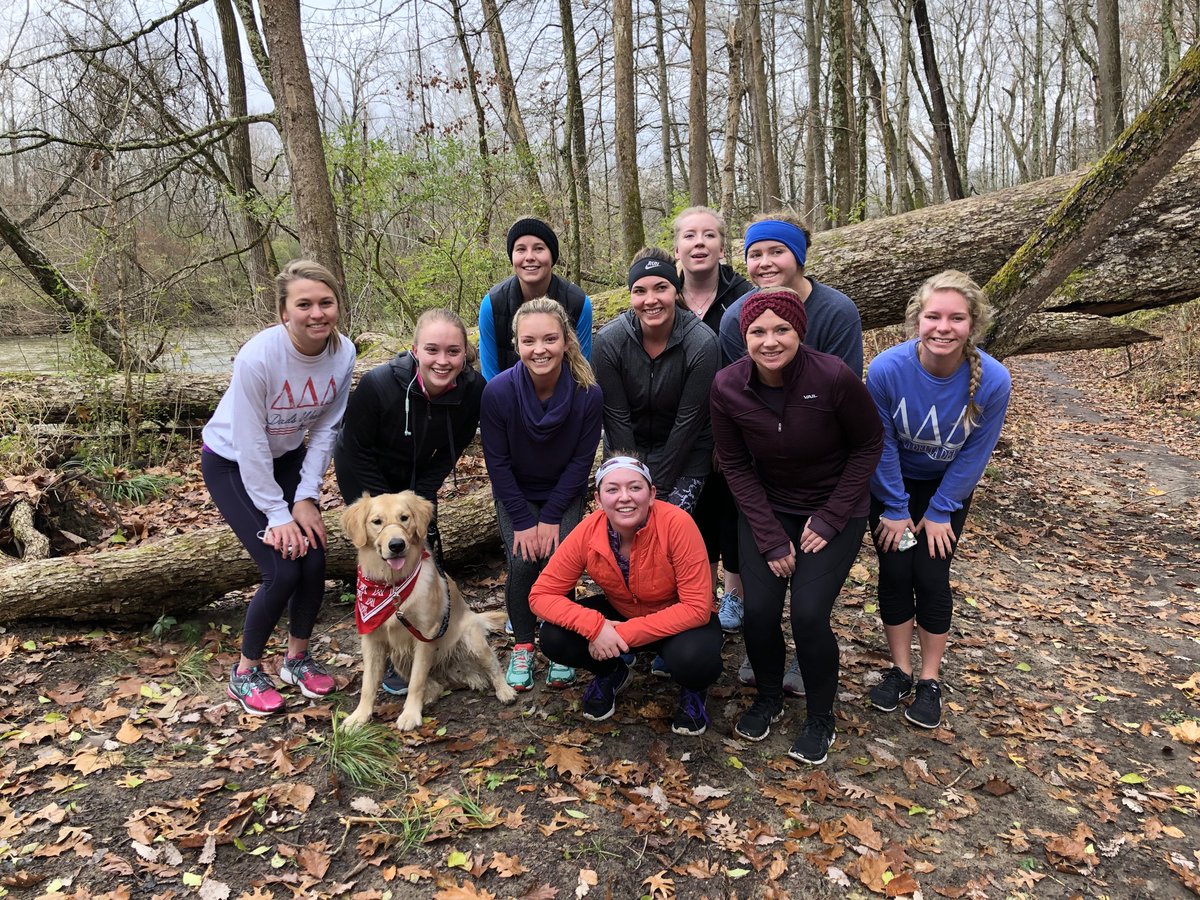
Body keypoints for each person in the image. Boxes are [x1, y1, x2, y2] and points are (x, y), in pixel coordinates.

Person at [711, 288, 882, 764]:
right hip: (766, 507)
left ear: (799, 332)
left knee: (808, 615)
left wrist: (829, 518)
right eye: (758, 331)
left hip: (835, 509)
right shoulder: (727, 385)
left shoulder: (833, 377)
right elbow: (735, 464)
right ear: (743, 336)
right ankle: (767, 696)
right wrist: (767, 533)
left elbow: (869, 445)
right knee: (760, 613)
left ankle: (820, 719)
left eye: (781, 329)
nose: (770, 341)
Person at [718, 211, 865, 696]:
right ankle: (766, 660)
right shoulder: (734, 317)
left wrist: (831, 508)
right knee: (763, 599)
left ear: (799, 256)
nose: (765, 262)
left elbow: (849, 413)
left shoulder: (835, 312)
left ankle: (807, 653)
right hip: (763, 476)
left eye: (777, 251)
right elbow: (735, 394)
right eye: (755, 254)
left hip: (825, 468)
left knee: (809, 602)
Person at [201, 260, 356, 716]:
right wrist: (277, 514)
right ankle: (245, 672)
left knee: (315, 558)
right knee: (283, 568)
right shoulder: (259, 356)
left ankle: (296, 660)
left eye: (325, 303)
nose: (316, 314)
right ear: (283, 311)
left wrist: (306, 497)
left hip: (287, 460)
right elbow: (249, 443)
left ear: (337, 306)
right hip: (231, 463)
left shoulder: (343, 352)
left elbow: (327, 428)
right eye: (303, 304)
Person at [866, 270, 1011, 729]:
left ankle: (929, 680)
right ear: (917, 321)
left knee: (930, 576)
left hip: (945, 492)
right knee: (894, 571)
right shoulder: (887, 369)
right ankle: (900, 671)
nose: (943, 328)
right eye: (933, 316)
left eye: (956, 318)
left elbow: (975, 454)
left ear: (973, 324)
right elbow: (881, 444)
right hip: (893, 486)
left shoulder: (993, 380)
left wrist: (940, 510)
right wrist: (895, 508)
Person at [333, 307, 484, 697]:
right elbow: (354, 449)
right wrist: (386, 513)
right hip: (366, 475)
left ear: (465, 353)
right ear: (415, 349)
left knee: (417, 560)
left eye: (453, 351)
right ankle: (385, 646)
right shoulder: (379, 385)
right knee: (380, 558)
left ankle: (417, 637)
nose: (442, 360)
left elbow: (448, 456)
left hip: (417, 482)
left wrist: (420, 500)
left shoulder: (473, 392)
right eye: (432, 349)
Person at [529, 454, 722, 734]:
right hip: (620, 611)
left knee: (696, 659)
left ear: (652, 494)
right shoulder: (588, 531)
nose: (625, 497)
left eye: (635, 487)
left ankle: (693, 691)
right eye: (612, 489)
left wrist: (618, 635)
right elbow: (541, 595)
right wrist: (594, 627)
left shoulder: (677, 524)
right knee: (553, 635)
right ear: (598, 499)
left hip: (677, 620)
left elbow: (696, 607)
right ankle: (611, 673)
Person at [480, 297, 603, 692]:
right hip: (515, 494)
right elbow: (497, 465)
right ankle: (523, 644)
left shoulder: (587, 393)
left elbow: (581, 464)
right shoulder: (498, 392)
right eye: (529, 341)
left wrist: (550, 517)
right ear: (516, 344)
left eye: (550, 339)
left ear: (567, 340)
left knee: (560, 559)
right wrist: (523, 520)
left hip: (561, 494)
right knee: (522, 562)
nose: (540, 349)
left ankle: (558, 642)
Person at [672, 207, 754, 633]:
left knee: (732, 513)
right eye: (689, 236)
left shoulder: (742, 298)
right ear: (677, 248)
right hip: (681, 431)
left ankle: (734, 596)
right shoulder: (665, 297)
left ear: (723, 247)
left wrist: (730, 438)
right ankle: (697, 599)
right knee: (693, 519)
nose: (699, 243)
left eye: (708, 235)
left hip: (733, 432)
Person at [592, 247, 718, 514]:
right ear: (631, 296)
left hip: (686, 456)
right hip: (624, 452)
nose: (651, 300)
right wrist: (635, 482)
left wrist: (655, 489)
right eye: (640, 291)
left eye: (661, 288)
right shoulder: (609, 341)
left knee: (665, 524)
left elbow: (688, 424)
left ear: (675, 290)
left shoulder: (702, 343)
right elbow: (616, 419)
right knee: (623, 524)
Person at [478, 217, 593, 381]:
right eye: (520, 249)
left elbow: (581, 371)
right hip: (507, 400)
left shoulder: (578, 303)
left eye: (539, 248)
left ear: (552, 256)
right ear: (512, 256)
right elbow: (490, 377)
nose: (529, 257)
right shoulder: (493, 304)